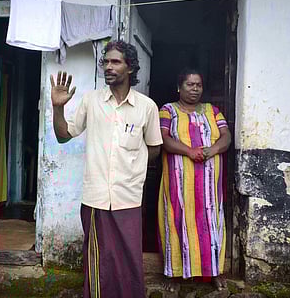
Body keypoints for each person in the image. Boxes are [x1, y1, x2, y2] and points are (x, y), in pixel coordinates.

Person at [51, 40, 163, 298]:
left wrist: (132, 168)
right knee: (99, 264)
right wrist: (58, 107)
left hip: (129, 197)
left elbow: (154, 148)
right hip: (96, 198)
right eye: (106, 62)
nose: (108, 67)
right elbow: (63, 135)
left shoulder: (146, 107)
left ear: (131, 68)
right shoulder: (91, 101)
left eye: (116, 62)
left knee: (130, 261)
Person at [157, 68, 231, 290]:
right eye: (190, 84)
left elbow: (226, 136)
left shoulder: (212, 110)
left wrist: (213, 149)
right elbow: (163, 138)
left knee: (211, 222)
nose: (195, 89)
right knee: (177, 220)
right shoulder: (167, 110)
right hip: (178, 182)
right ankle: (175, 275)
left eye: (198, 85)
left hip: (209, 182)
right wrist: (189, 151)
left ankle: (213, 272)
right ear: (179, 87)